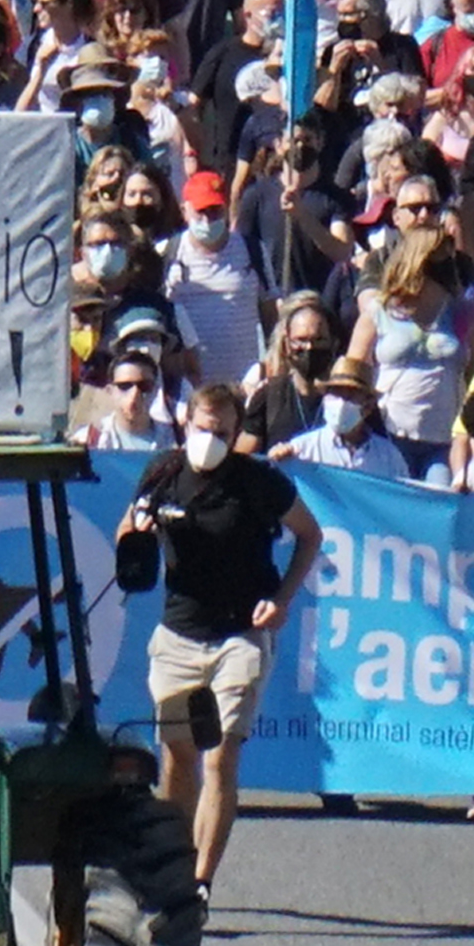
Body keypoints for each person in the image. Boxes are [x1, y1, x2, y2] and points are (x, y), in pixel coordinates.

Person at [118, 382, 315, 892]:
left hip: (240, 634)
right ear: (186, 425)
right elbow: (126, 536)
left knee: (220, 753)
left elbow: (309, 534)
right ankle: (174, 868)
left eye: (223, 433)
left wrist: (282, 598)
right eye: (204, 430)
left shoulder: (258, 481)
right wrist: (138, 534)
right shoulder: (162, 473)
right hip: (179, 632)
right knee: (177, 756)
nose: (211, 440)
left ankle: (200, 881)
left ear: (236, 433)